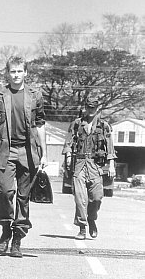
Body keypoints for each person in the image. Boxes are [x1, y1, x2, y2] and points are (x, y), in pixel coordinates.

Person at [0, 56, 47, 258]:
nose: (16, 75)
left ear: (26, 73)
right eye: (13, 71)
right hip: (6, 151)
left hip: (28, 152)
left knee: (23, 197)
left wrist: (44, 153)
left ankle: (18, 237)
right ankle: (5, 227)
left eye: (20, 71)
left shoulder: (35, 95)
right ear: (7, 73)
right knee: (4, 191)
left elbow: (40, 123)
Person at [62, 95, 116, 240]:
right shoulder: (77, 124)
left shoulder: (104, 126)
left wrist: (111, 165)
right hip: (79, 164)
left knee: (96, 198)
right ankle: (82, 228)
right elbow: (68, 142)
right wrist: (67, 157)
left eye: (93, 108)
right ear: (85, 108)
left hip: (95, 165)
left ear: (97, 109)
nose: (90, 110)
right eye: (88, 107)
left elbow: (110, 147)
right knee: (80, 198)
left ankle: (91, 219)